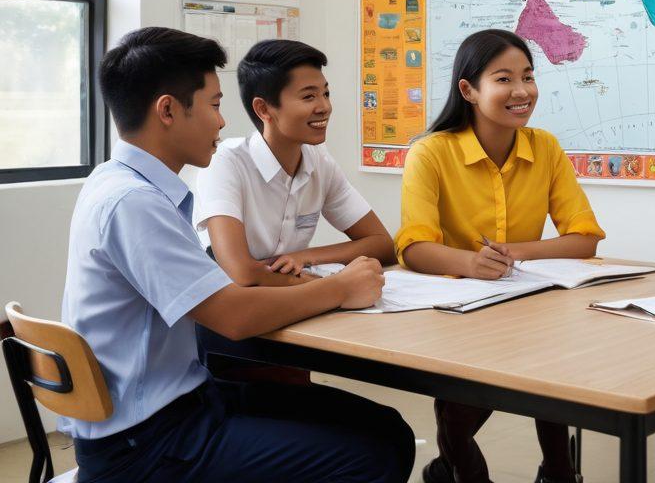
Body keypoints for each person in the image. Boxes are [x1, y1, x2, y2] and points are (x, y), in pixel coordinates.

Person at [61, 27, 414, 482]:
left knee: (386, 429)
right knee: (372, 453)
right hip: (149, 444)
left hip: (184, 406)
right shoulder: (133, 202)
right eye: (213, 105)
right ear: (167, 110)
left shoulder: (120, 183)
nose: (223, 122)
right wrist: (339, 288)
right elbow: (233, 315)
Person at [397, 29, 605, 483]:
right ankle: (457, 469)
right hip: (455, 315)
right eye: (504, 79)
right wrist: (470, 264)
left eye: (528, 77)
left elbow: (584, 237)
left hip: (525, 301)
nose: (521, 91)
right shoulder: (430, 153)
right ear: (468, 90)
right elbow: (413, 246)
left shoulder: (544, 146)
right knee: (461, 415)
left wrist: (515, 253)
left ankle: (558, 472)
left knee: (549, 374)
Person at [195, 39, 395, 288]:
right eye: (309, 96)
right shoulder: (226, 162)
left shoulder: (319, 160)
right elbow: (242, 273)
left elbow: (383, 244)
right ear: (263, 109)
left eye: (326, 93)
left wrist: (303, 257)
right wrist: (336, 286)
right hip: (231, 313)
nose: (324, 107)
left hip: (290, 303)